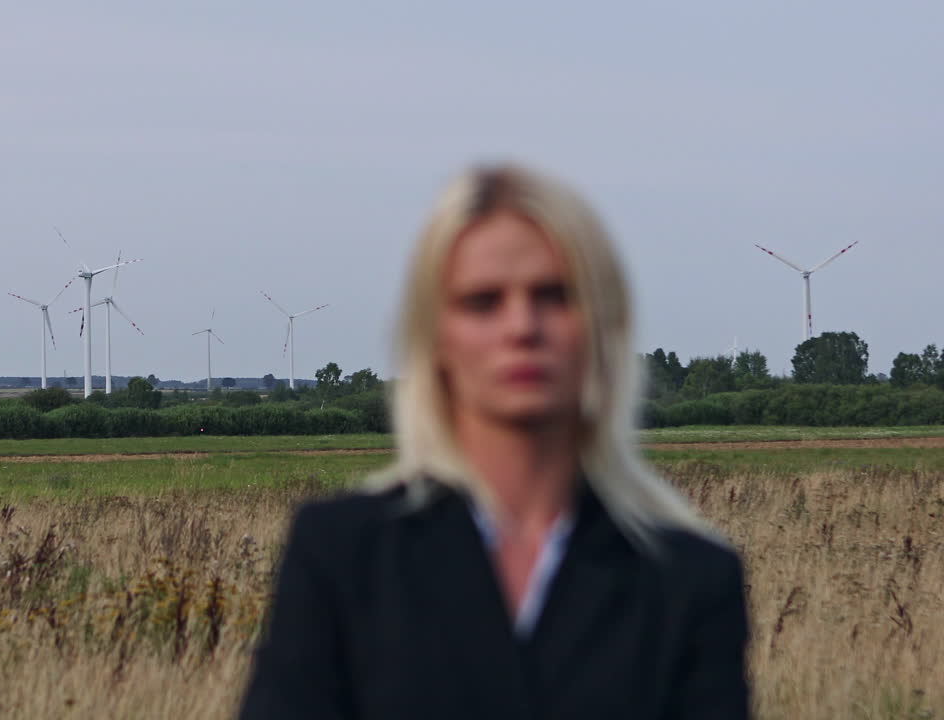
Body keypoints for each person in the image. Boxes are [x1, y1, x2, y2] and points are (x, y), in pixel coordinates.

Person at [238, 164, 749, 719]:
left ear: (605, 324)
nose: (522, 326)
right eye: (483, 301)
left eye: (554, 295)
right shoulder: (342, 557)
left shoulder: (688, 579)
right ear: (434, 338)